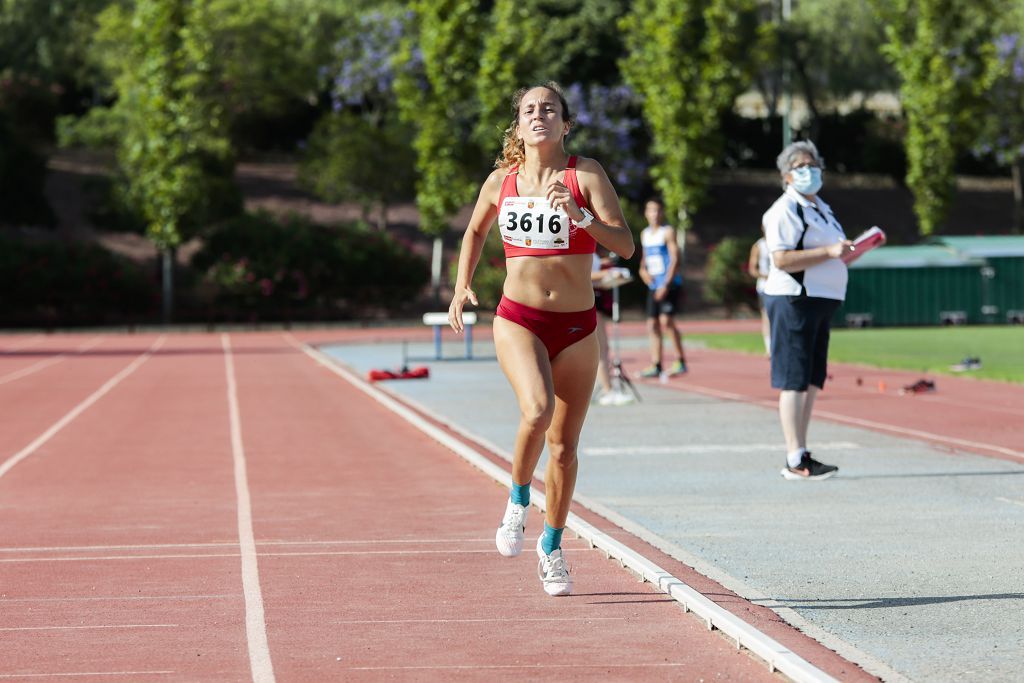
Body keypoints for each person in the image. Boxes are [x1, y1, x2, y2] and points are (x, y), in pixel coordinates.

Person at [448, 82, 635, 595]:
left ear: (564, 123)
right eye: (529, 109)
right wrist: (463, 285)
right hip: (519, 319)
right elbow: (474, 232)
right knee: (536, 411)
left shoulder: (586, 174)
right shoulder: (502, 181)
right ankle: (516, 498)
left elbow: (625, 245)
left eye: (549, 108)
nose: (539, 115)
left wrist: (582, 217)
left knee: (565, 447)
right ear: (519, 124)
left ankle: (551, 546)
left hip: (577, 327)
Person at [762, 140, 853, 481]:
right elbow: (781, 258)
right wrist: (830, 252)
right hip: (795, 299)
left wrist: (845, 252)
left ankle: (802, 450)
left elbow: (831, 250)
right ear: (786, 175)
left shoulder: (821, 208)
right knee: (795, 378)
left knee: (813, 378)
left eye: (813, 165)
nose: (809, 171)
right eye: (800, 166)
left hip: (820, 299)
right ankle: (794, 456)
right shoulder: (784, 210)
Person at [637, 197, 687, 378]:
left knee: (666, 321)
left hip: (668, 284)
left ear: (662, 212)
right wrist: (642, 271)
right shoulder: (645, 234)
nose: (654, 214)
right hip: (653, 284)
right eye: (651, 210)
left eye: (658, 210)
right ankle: (656, 364)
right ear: (646, 213)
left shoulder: (667, 232)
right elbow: (645, 259)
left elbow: (675, 259)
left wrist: (666, 284)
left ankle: (680, 360)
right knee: (652, 325)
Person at [591, 250, 616, 404]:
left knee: (601, 348)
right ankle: (607, 389)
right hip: (586, 303)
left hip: (594, 300)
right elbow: (580, 273)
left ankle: (603, 388)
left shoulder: (593, 254)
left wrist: (612, 278)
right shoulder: (579, 248)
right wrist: (609, 273)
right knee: (601, 349)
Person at [747, 225, 772, 356]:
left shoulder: (784, 242)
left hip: (781, 286)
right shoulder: (759, 245)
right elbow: (752, 269)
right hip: (765, 286)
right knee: (767, 316)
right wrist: (766, 276)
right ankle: (769, 348)